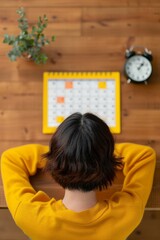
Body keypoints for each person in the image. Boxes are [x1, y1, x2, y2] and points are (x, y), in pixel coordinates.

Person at [1, 112, 156, 240]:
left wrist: (66, 153)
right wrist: (92, 153)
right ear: (108, 163)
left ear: (55, 160)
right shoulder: (128, 214)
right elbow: (144, 155)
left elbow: (11, 158)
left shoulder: (28, 217)